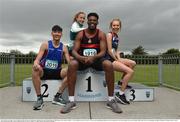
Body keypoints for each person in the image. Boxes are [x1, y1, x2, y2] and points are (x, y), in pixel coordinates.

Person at [60, 13, 122, 114]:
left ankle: (111, 100)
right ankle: (71, 101)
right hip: (83, 60)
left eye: (94, 20)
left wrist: (94, 57)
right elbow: (74, 51)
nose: (92, 22)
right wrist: (81, 58)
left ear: (97, 22)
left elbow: (103, 51)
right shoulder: (81, 34)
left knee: (108, 64)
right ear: (87, 21)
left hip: (96, 60)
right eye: (90, 20)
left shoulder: (100, 34)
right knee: (72, 64)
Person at [32, 25, 70, 110]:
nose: (57, 34)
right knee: (35, 70)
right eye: (55, 32)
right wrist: (35, 64)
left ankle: (57, 97)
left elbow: (69, 63)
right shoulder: (45, 44)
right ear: (51, 33)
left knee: (71, 71)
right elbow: (37, 59)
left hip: (57, 72)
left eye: (59, 32)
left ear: (61, 34)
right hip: (44, 71)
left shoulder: (64, 47)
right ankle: (39, 98)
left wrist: (73, 66)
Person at [105, 19, 136, 105]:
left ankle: (121, 82)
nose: (116, 27)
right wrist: (117, 60)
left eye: (117, 25)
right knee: (130, 72)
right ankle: (120, 94)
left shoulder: (117, 36)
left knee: (133, 63)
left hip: (114, 58)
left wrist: (119, 58)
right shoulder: (109, 35)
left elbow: (116, 51)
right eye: (114, 25)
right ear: (111, 26)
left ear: (120, 26)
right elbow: (109, 50)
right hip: (109, 59)